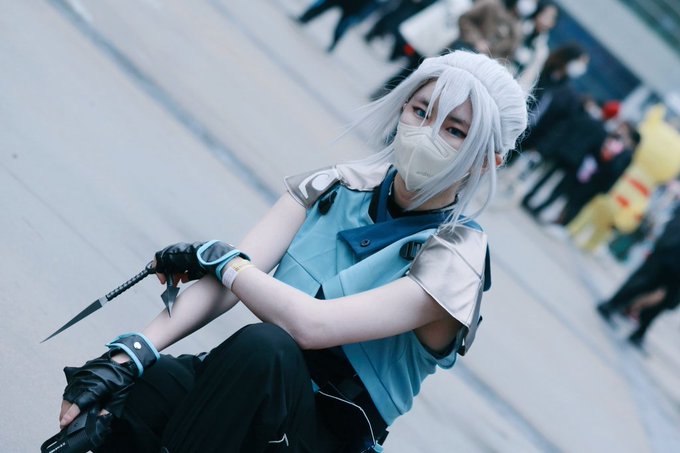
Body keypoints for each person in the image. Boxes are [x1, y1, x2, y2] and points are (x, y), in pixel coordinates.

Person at [54, 50, 528, 452]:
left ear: (488, 160)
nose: (428, 132)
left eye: (455, 131)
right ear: (402, 108)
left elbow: (306, 324)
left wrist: (224, 261)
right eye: (421, 111)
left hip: (323, 432)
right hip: (247, 380)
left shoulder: (457, 260)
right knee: (145, 389)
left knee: (267, 347)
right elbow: (227, 280)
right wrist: (130, 355)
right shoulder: (336, 185)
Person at [596, 203, 680, 348]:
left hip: (671, 252)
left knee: (668, 299)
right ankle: (612, 305)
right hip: (670, 250)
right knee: (644, 282)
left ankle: (639, 331)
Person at [296, 0, 378, 52]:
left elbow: (374, 4)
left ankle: (334, 43)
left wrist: (360, 17)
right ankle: (304, 18)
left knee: (342, 26)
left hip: (356, 6)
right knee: (323, 5)